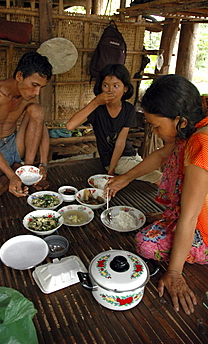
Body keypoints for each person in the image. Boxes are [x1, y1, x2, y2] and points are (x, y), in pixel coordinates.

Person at [106, 74, 208, 315]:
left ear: (180, 121)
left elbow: (191, 216)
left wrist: (174, 273)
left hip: (204, 227)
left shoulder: (200, 145)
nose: (154, 131)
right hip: (193, 212)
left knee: (146, 245)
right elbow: (162, 155)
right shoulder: (195, 120)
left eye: (156, 126)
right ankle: (171, 216)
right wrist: (124, 178)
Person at [0, 51, 52, 202]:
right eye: (34, 85)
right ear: (19, 76)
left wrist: (43, 164)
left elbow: (41, 126)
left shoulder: (27, 97)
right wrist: (11, 176)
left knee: (37, 110)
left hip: (15, 145)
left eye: (41, 87)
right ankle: (16, 175)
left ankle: (26, 170)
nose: (37, 92)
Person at [66, 64, 162, 184]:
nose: (110, 90)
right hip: (114, 161)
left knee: (154, 174)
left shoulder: (128, 109)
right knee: (159, 178)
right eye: (105, 85)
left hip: (131, 155)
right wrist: (95, 102)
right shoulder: (97, 109)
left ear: (125, 88)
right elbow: (70, 126)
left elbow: (120, 142)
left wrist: (112, 170)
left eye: (116, 86)